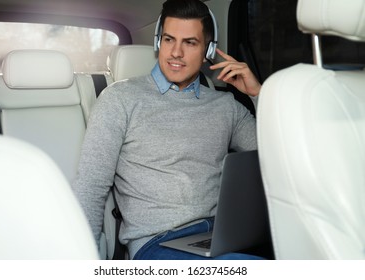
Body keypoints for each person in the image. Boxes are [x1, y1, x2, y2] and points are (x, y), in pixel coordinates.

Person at [73, 0, 262, 260]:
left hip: (220, 236)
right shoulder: (119, 99)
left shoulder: (225, 106)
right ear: (158, 42)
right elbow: (91, 187)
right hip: (157, 244)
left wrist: (258, 95)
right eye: (169, 39)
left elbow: (274, 156)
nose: (176, 52)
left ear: (209, 50)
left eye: (190, 43)